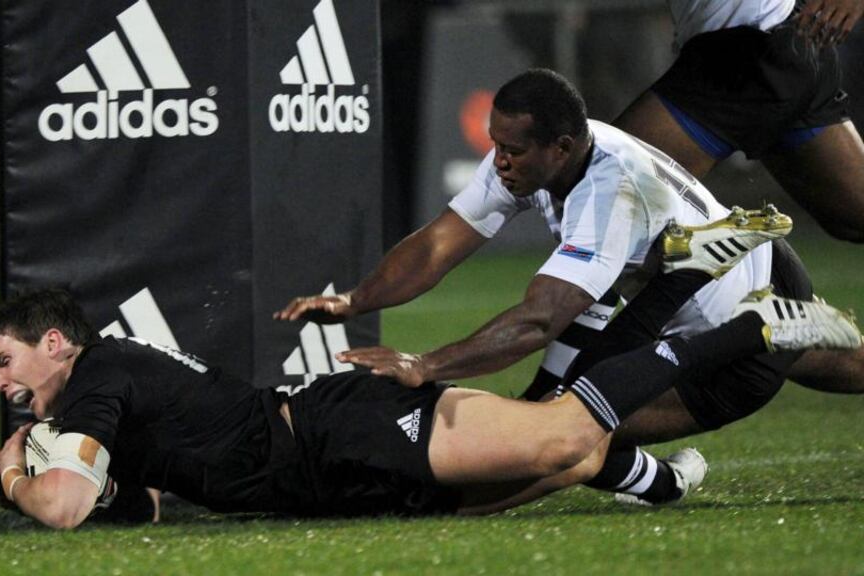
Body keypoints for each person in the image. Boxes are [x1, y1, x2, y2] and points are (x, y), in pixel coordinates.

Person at [275, 68, 863, 507]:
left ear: (561, 147)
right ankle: (668, 472)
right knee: (543, 419)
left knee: (541, 444)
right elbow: (437, 244)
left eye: (512, 150)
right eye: (495, 146)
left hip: (727, 347)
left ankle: (681, 459)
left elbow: (540, 320)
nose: (498, 162)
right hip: (709, 292)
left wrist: (426, 364)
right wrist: (357, 299)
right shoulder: (545, 154)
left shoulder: (611, 191)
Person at [0, 255, 860, 527]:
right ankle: (663, 461)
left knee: (555, 436)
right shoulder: (102, 391)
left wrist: (17, 475)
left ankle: (761, 327)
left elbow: (62, 507)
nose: (8, 389)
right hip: (331, 473)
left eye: (8, 364)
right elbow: (143, 507)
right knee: (565, 453)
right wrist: (19, 485)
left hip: (333, 438)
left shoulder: (95, 377)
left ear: (57, 345)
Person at [611, 0, 864, 394]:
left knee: (606, 199)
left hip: (750, 47)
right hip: (784, 43)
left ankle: (754, 330)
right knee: (855, 214)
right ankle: (776, 330)